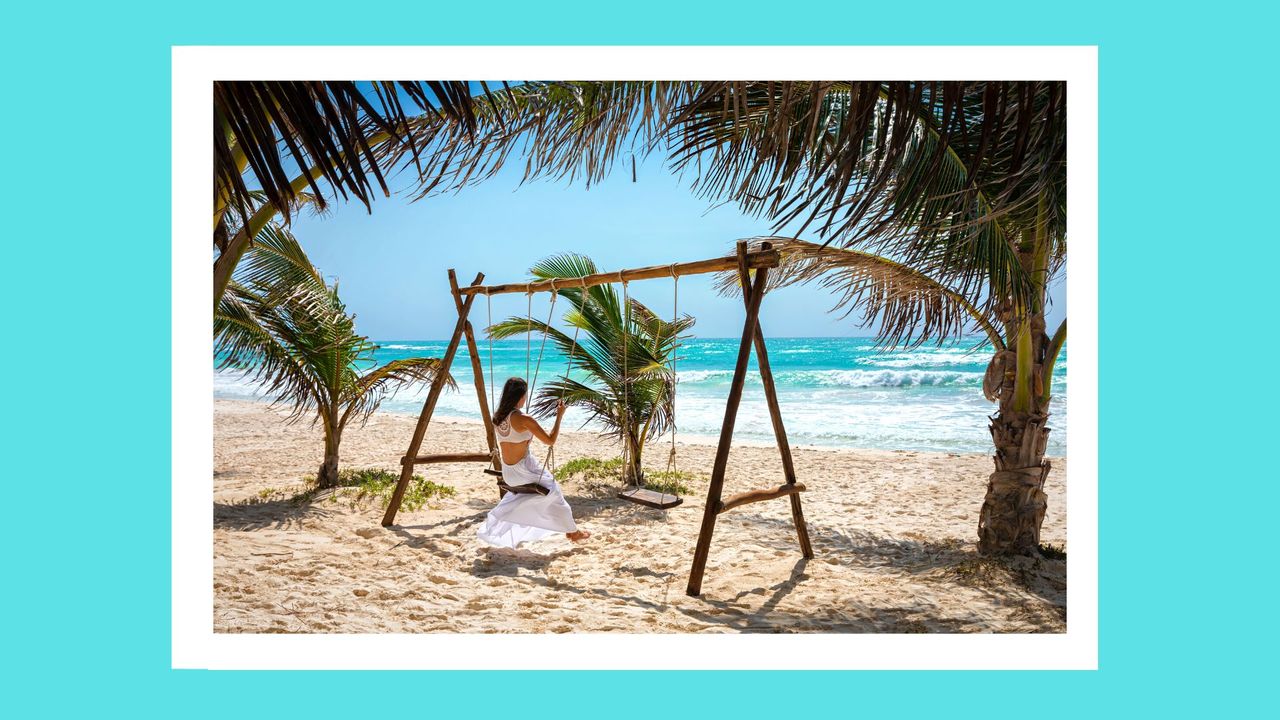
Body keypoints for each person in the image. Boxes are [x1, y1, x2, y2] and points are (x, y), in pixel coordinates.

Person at [476, 377, 591, 547]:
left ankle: (570, 529)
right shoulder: (524, 419)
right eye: (525, 395)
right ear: (520, 396)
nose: (526, 398)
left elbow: (514, 440)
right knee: (553, 491)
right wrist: (559, 416)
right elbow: (550, 440)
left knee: (532, 496)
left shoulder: (498, 417)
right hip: (524, 472)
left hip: (509, 473)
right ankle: (573, 532)